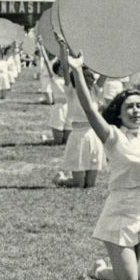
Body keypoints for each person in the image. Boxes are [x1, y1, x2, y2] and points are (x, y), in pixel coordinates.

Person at [64, 30, 140, 280]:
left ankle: (130, 258)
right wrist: (77, 70)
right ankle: (100, 269)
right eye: (129, 107)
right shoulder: (112, 136)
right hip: (121, 208)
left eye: (139, 105)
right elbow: (89, 108)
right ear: (119, 113)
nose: (136, 110)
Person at [55, 45, 106, 189]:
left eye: (90, 78)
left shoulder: (95, 91)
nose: (89, 80)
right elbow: (65, 69)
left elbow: (106, 73)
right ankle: (61, 180)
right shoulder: (71, 90)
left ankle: (68, 178)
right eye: (85, 78)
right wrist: (62, 47)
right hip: (77, 135)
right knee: (79, 183)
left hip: (94, 136)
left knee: (90, 184)